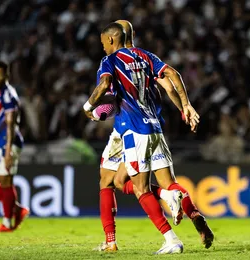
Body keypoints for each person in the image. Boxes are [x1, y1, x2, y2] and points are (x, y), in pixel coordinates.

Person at [88, 20, 214, 252]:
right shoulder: (146, 59)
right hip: (154, 126)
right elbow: (169, 83)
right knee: (120, 180)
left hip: (130, 129)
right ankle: (192, 213)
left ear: (113, 38)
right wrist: (185, 106)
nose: (103, 46)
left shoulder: (111, 61)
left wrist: (90, 108)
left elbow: (106, 89)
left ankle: (169, 238)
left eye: (104, 41)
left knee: (135, 187)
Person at [0, 61, 29, 232]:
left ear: (6, 76)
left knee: (5, 182)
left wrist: (8, 150)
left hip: (8, 143)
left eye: (0, 74)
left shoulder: (8, 94)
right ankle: (17, 208)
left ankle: (7, 222)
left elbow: (11, 124)